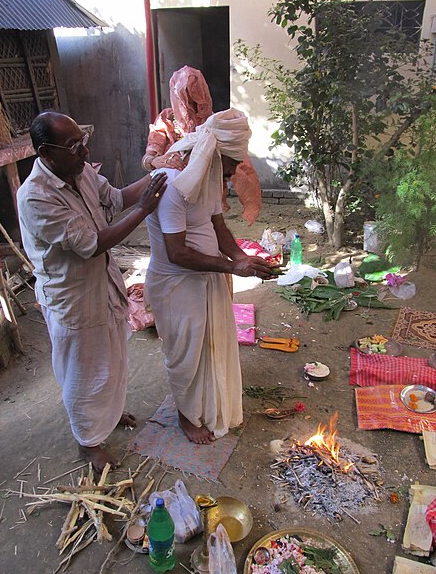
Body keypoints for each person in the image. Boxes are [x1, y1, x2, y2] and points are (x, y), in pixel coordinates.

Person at [17, 111, 167, 472]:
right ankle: (88, 441)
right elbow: (92, 244)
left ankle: (108, 416)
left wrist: (162, 174)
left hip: (103, 284)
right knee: (84, 372)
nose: (84, 153)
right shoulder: (35, 197)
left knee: (112, 361)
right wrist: (146, 206)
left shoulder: (78, 169)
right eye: (73, 147)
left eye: (83, 142)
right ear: (45, 153)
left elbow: (115, 198)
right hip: (73, 298)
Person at [144, 108, 273, 445]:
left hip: (208, 276)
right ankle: (186, 416)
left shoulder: (212, 182)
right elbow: (178, 253)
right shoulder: (172, 187)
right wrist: (233, 267)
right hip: (176, 284)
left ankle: (208, 405)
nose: (232, 174)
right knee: (186, 354)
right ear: (213, 157)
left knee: (211, 346)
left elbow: (218, 226)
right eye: (230, 166)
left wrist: (244, 258)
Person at [141, 65, 262, 225]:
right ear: (178, 99)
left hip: (208, 197)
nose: (193, 107)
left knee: (208, 230)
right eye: (187, 101)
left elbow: (239, 164)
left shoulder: (214, 124)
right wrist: (154, 161)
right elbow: (149, 156)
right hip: (173, 194)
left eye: (197, 100)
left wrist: (249, 202)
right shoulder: (166, 120)